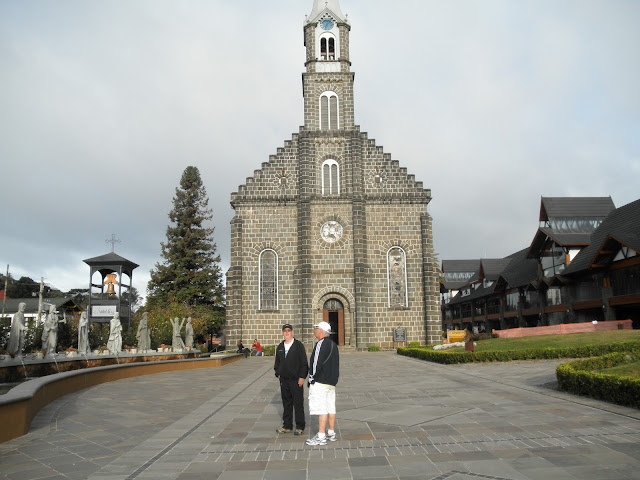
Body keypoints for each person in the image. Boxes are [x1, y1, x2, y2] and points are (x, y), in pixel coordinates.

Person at [306, 321, 339, 446]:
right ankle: (331, 433)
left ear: (321, 331)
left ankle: (321, 436)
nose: (315, 331)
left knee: (322, 409)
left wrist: (311, 378)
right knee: (331, 407)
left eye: (316, 329)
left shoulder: (320, 343)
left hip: (320, 382)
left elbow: (315, 363)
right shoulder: (333, 344)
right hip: (331, 383)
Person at [274, 324, 308, 435]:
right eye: (285, 331)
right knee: (286, 403)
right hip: (284, 381)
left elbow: (304, 363)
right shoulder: (280, 347)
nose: (287, 332)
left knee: (298, 403)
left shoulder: (298, 346)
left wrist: (302, 377)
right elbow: (277, 363)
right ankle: (287, 425)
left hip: (296, 380)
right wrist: (278, 373)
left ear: (292, 332)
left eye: (289, 330)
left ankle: (300, 426)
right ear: (282, 332)